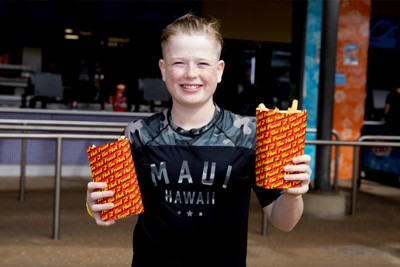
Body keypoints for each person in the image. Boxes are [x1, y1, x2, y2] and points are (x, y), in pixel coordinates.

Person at [86, 13, 311, 267]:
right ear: (163, 69)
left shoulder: (249, 135)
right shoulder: (138, 134)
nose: (191, 73)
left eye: (202, 64)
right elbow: (108, 207)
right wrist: (96, 205)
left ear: (219, 71)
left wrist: (293, 195)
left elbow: (284, 222)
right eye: (179, 63)